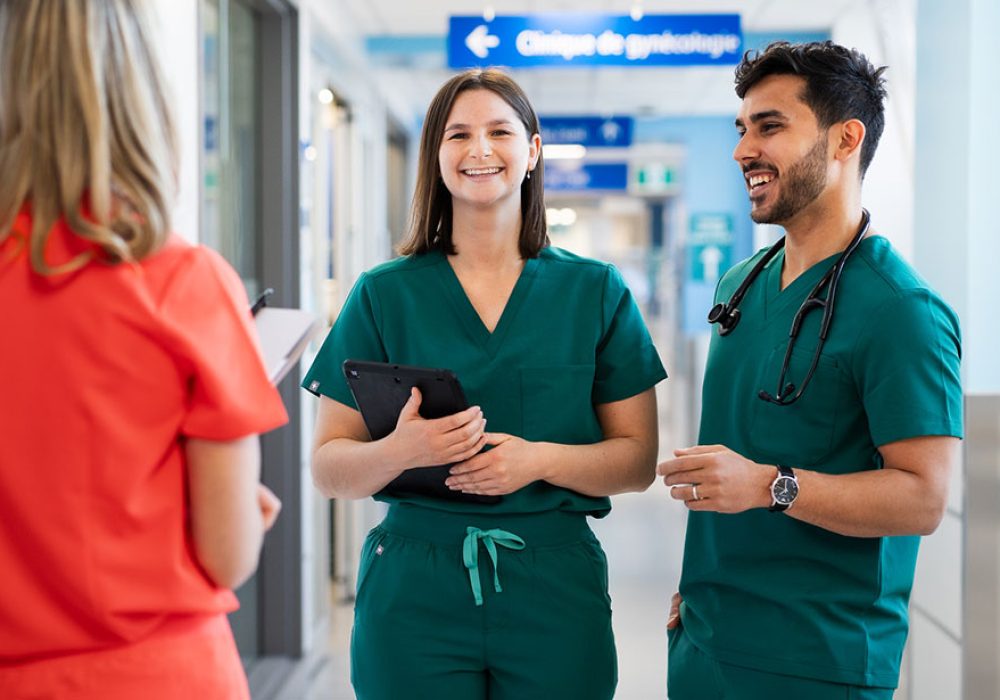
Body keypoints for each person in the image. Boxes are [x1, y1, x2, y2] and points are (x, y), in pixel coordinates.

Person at [303, 67, 666, 700]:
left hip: (554, 584)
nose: (479, 149)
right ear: (435, 155)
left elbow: (636, 462)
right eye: (458, 134)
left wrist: (538, 461)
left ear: (532, 151)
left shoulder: (595, 291)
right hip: (414, 588)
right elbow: (330, 470)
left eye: (500, 131)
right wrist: (402, 451)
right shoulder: (384, 294)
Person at [657, 41, 963, 699]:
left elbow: (923, 498)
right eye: (741, 129)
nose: (743, 150)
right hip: (708, 642)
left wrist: (770, 485)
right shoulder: (740, 286)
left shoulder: (901, 310)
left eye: (769, 126)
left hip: (817, 662)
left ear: (845, 139)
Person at [0, 2, 288, 698]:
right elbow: (226, 557)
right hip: (159, 675)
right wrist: (239, 512)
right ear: (143, 97)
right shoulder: (181, 281)